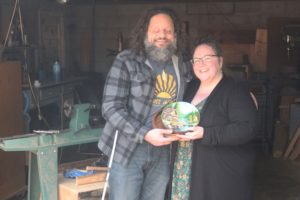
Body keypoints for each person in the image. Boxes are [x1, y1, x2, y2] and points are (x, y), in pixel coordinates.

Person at [98, 7, 192, 200]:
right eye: (156, 31)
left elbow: (204, 82)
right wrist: (145, 134)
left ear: (175, 35)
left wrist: (237, 92)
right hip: (128, 149)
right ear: (145, 34)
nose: (162, 36)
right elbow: (110, 107)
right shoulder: (127, 60)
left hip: (164, 150)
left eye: (167, 31)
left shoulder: (181, 63)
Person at [169, 36, 258, 200]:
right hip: (185, 168)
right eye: (196, 60)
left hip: (218, 176)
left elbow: (247, 128)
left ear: (221, 61)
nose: (200, 64)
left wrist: (206, 133)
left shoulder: (235, 91)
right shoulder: (190, 87)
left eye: (207, 58)